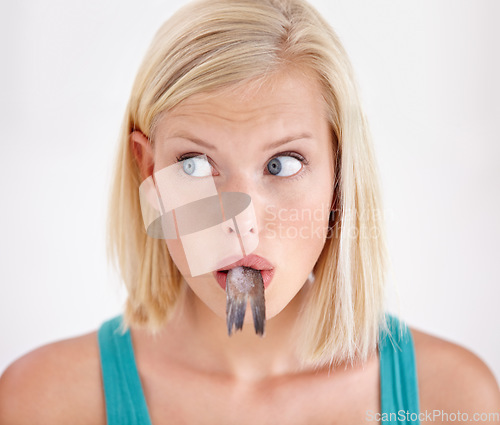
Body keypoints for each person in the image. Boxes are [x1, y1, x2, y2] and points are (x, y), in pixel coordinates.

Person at [1, 0, 499, 423]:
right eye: (195, 165)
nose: (243, 222)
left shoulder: (454, 399)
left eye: (282, 164)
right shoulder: (43, 401)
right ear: (149, 172)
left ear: (341, 174)